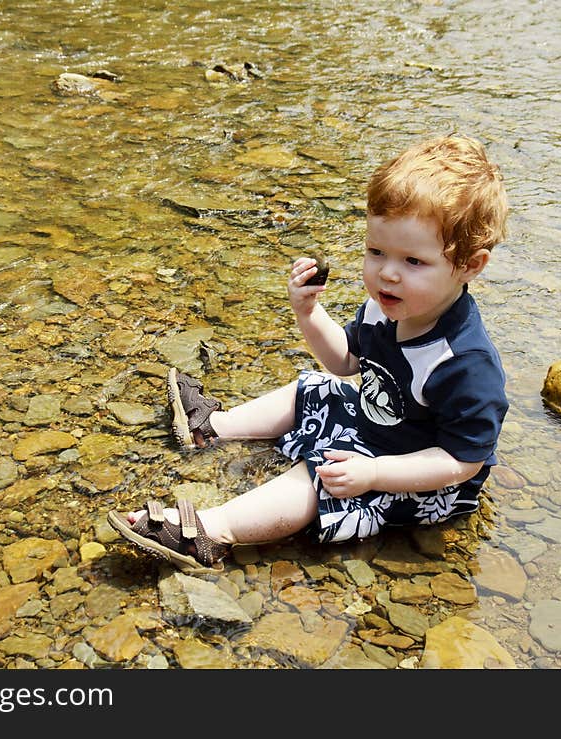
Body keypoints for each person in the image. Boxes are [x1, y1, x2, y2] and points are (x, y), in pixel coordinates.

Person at [107, 133, 510, 574]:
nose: (387, 274)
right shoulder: (385, 307)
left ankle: (209, 532)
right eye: (376, 252)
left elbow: (463, 461)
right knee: (317, 387)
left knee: (320, 475)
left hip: (418, 478)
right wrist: (308, 312)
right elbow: (345, 362)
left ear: (470, 265)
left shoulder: (464, 363)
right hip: (376, 423)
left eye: (413, 262)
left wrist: (374, 475)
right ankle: (211, 428)